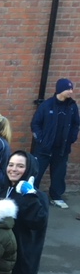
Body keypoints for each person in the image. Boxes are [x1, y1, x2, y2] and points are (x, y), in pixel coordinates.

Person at [31, 78, 79, 208]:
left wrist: (72, 138)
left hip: (62, 147)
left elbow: (76, 124)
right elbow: (35, 124)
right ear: (59, 90)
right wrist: (40, 139)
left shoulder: (72, 107)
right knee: (36, 172)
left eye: (71, 89)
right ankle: (31, 197)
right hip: (44, 148)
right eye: (67, 89)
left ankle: (56, 196)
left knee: (59, 173)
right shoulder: (47, 105)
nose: (70, 91)